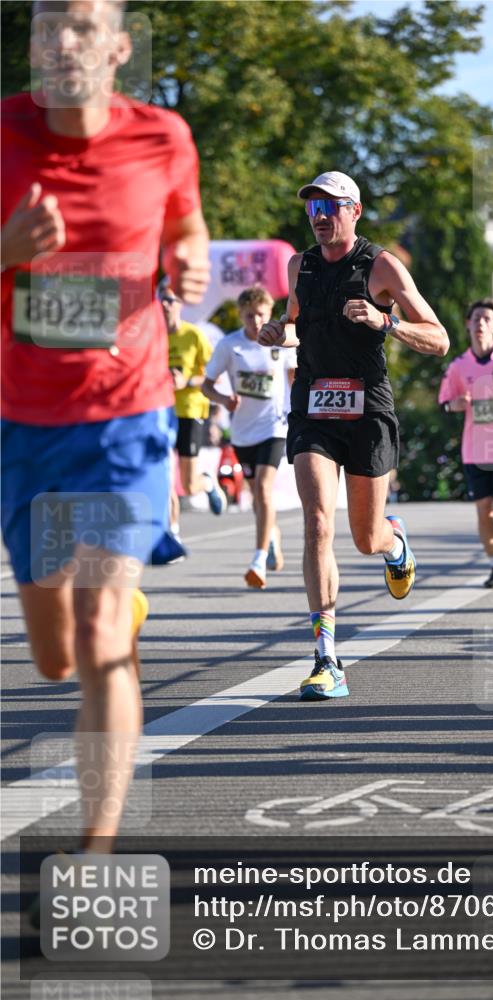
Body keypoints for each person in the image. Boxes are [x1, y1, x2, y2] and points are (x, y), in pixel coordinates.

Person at [1, 0, 209, 853]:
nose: (61, 40)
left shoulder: (163, 137)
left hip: (128, 413)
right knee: (54, 657)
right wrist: (6, 247)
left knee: (97, 637)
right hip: (23, 419)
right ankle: (109, 608)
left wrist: (189, 252)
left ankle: (98, 849)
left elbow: (184, 221)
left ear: (118, 47)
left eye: (82, 25)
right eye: (48, 24)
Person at [258, 171, 448, 699]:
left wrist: (385, 322)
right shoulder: (300, 265)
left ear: (355, 211)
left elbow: (439, 338)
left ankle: (394, 542)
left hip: (368, 409)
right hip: (315, 406)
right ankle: (326, 658)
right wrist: (279, 330)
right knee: (318, 522)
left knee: (365, 538)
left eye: (331, 206)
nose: (320, 216)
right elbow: (295, 320)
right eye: (313, 207)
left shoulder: (382, 266)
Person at [202, 285, 296, 588]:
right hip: (243, 432)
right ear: (240, 316)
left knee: (265, 491)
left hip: (274, 427)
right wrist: (223, 400)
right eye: (249, 316)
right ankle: (272, 534)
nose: (255, 322)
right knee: (257, 496)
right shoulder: (230, 346)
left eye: (261, 315)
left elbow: (296, 378)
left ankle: (257, 559)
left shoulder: (281, 343)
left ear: (269, 314)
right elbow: (206, 385)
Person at [438, 298, 493, 589]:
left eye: (487, 319)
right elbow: (444, 404)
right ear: (467, 324)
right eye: (475, 318)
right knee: (483, 512)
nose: (480, 324)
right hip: (474, 451)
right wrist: (456, 405)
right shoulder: (459, 366)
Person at [158, 279, 223, 523]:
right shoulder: (154, 337)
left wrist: (186, 381)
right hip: (161, 412)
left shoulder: (194, 335)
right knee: (164, 477)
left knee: (187, 484)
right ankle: (172, 532)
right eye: (162, 299)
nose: (165, 305)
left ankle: (205, 481)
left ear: (180, 304)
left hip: (190, 410)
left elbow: (212, 377)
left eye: (171, 300)